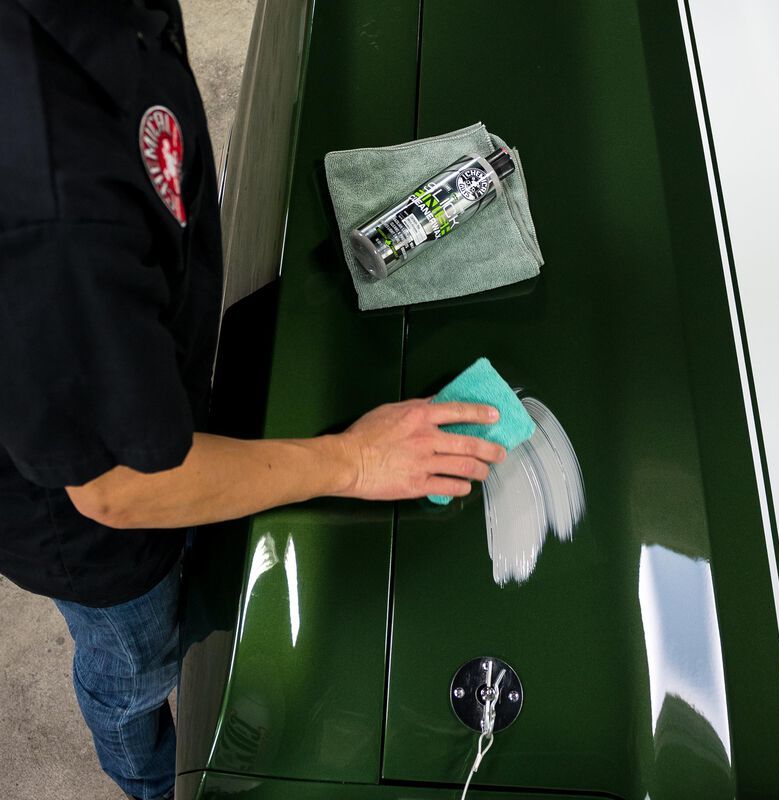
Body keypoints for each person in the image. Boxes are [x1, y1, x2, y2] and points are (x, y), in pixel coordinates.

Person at [0, 2, 505, 799]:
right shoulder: (48, 205)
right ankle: (146, 780)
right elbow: (119, 489)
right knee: (136, 669)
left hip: (133, 380)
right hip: (97, 536)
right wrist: (354, 460)